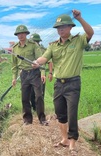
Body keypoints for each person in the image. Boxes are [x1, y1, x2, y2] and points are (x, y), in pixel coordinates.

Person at [32, 9, 94, 154]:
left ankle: (72, 142)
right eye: (58, 28)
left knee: (72, 113)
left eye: (63, 27)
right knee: (60, 113)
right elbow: (44, 58)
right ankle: (64, 139)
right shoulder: (53, 45)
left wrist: (80, 18)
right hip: (59, 84)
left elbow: (90, 33)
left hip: (73, 83)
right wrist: (36, 62)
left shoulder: (78, 41)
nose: (60, 30)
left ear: (70, 27)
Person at [11, 25, 48, 126]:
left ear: (26, 34)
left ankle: (42, 119)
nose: (21, 35)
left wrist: (43, 73)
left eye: (23, 33)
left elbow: (41, 59)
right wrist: (14, 78)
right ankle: (27, 120)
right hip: (23, 74)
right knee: (25, 98)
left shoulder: (33, 45)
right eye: (19, 34)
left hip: (34, 73)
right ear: (17, 35)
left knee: (39, 96)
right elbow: (14, 65)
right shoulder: (15, 48)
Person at [29, 33, 53, 111]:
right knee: (31, 93)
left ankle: (40, 108)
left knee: (40, 93)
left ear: (38, 42)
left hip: (40, 74)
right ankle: (34, 107)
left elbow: (49, 62)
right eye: (33, 42)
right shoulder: (29, 50)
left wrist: (50, 73)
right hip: (31, 74)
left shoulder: (43, 51)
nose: (34, 43)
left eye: (36, 42)